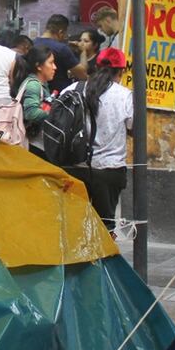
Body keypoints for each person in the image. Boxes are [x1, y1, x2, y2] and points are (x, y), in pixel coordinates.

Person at [63, 48, 134, 230]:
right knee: (105, 226)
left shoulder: (72, 89)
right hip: (109, 169)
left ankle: (78, 258)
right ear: (121, 71)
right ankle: (103, 258)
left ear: (95, 67)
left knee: (75, 225)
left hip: (74, 167)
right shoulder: (124, 95)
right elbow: (133, 128)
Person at [11, 45, 57, 157]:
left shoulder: (41, 84)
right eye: (51, 63)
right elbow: (31, 113)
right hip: (33, 145)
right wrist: (55, 114)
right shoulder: (34, 85)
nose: (54, 67)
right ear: (39, 66)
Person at [33, 14, 88, 95]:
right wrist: (83, 52)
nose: (65, 37)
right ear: (61, 32)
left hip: (37, 92)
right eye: (65, 34)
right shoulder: (61, 48)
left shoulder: (32, 44)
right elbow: (82, 75)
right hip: (59, 96)